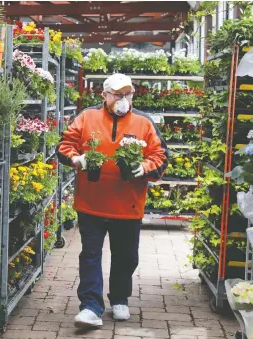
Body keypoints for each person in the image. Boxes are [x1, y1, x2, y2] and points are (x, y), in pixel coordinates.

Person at [57, 74, 169, 328]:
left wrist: (144, 167)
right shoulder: (87, 117)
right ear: (104, 95)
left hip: (128, 205)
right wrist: (77, 159)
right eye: (118, 94)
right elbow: (65, 144)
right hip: (91, 203)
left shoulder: (143, 121)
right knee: (90, 255)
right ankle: (90, 306)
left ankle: (119, 298)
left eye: (128, 94)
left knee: (126, 256)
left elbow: (160, 154)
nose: (123, 99)